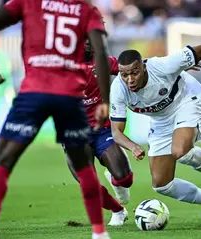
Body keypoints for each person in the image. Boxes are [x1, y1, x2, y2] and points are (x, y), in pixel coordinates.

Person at [0, 0, 112, 239]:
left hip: (34, 92)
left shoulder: (28, 3)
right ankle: (99, 233)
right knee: (83, 165)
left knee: (4, 158)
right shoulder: (86, 9)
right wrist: (104, 101)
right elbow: (100, 51)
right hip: (69, 96)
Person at [110, 44, 201, 226]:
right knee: (162, 185)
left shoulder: (162, 66)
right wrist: (133, 146)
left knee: (180, 151)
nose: (130, 79)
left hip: (184, 102)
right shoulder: (118, 88)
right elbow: (116, 131)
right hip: (160, 121)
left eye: (135, 72)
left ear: (144, 66)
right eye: (124, 74)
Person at [65, 40, 132, 226]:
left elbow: (134, 66)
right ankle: (118, 211)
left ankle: (114, 176)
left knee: (125, 179)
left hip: (101, 129)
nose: (89, 43)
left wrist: (174, 69)